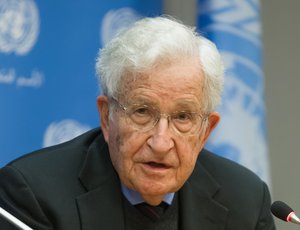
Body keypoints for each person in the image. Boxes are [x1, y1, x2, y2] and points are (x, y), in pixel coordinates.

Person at [0, 16, 275, 230]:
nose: (161, 142)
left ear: (205, 131)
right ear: (107, 117)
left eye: (182, 117)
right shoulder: (32, 195)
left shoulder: (246, 201)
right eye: (142, 111)